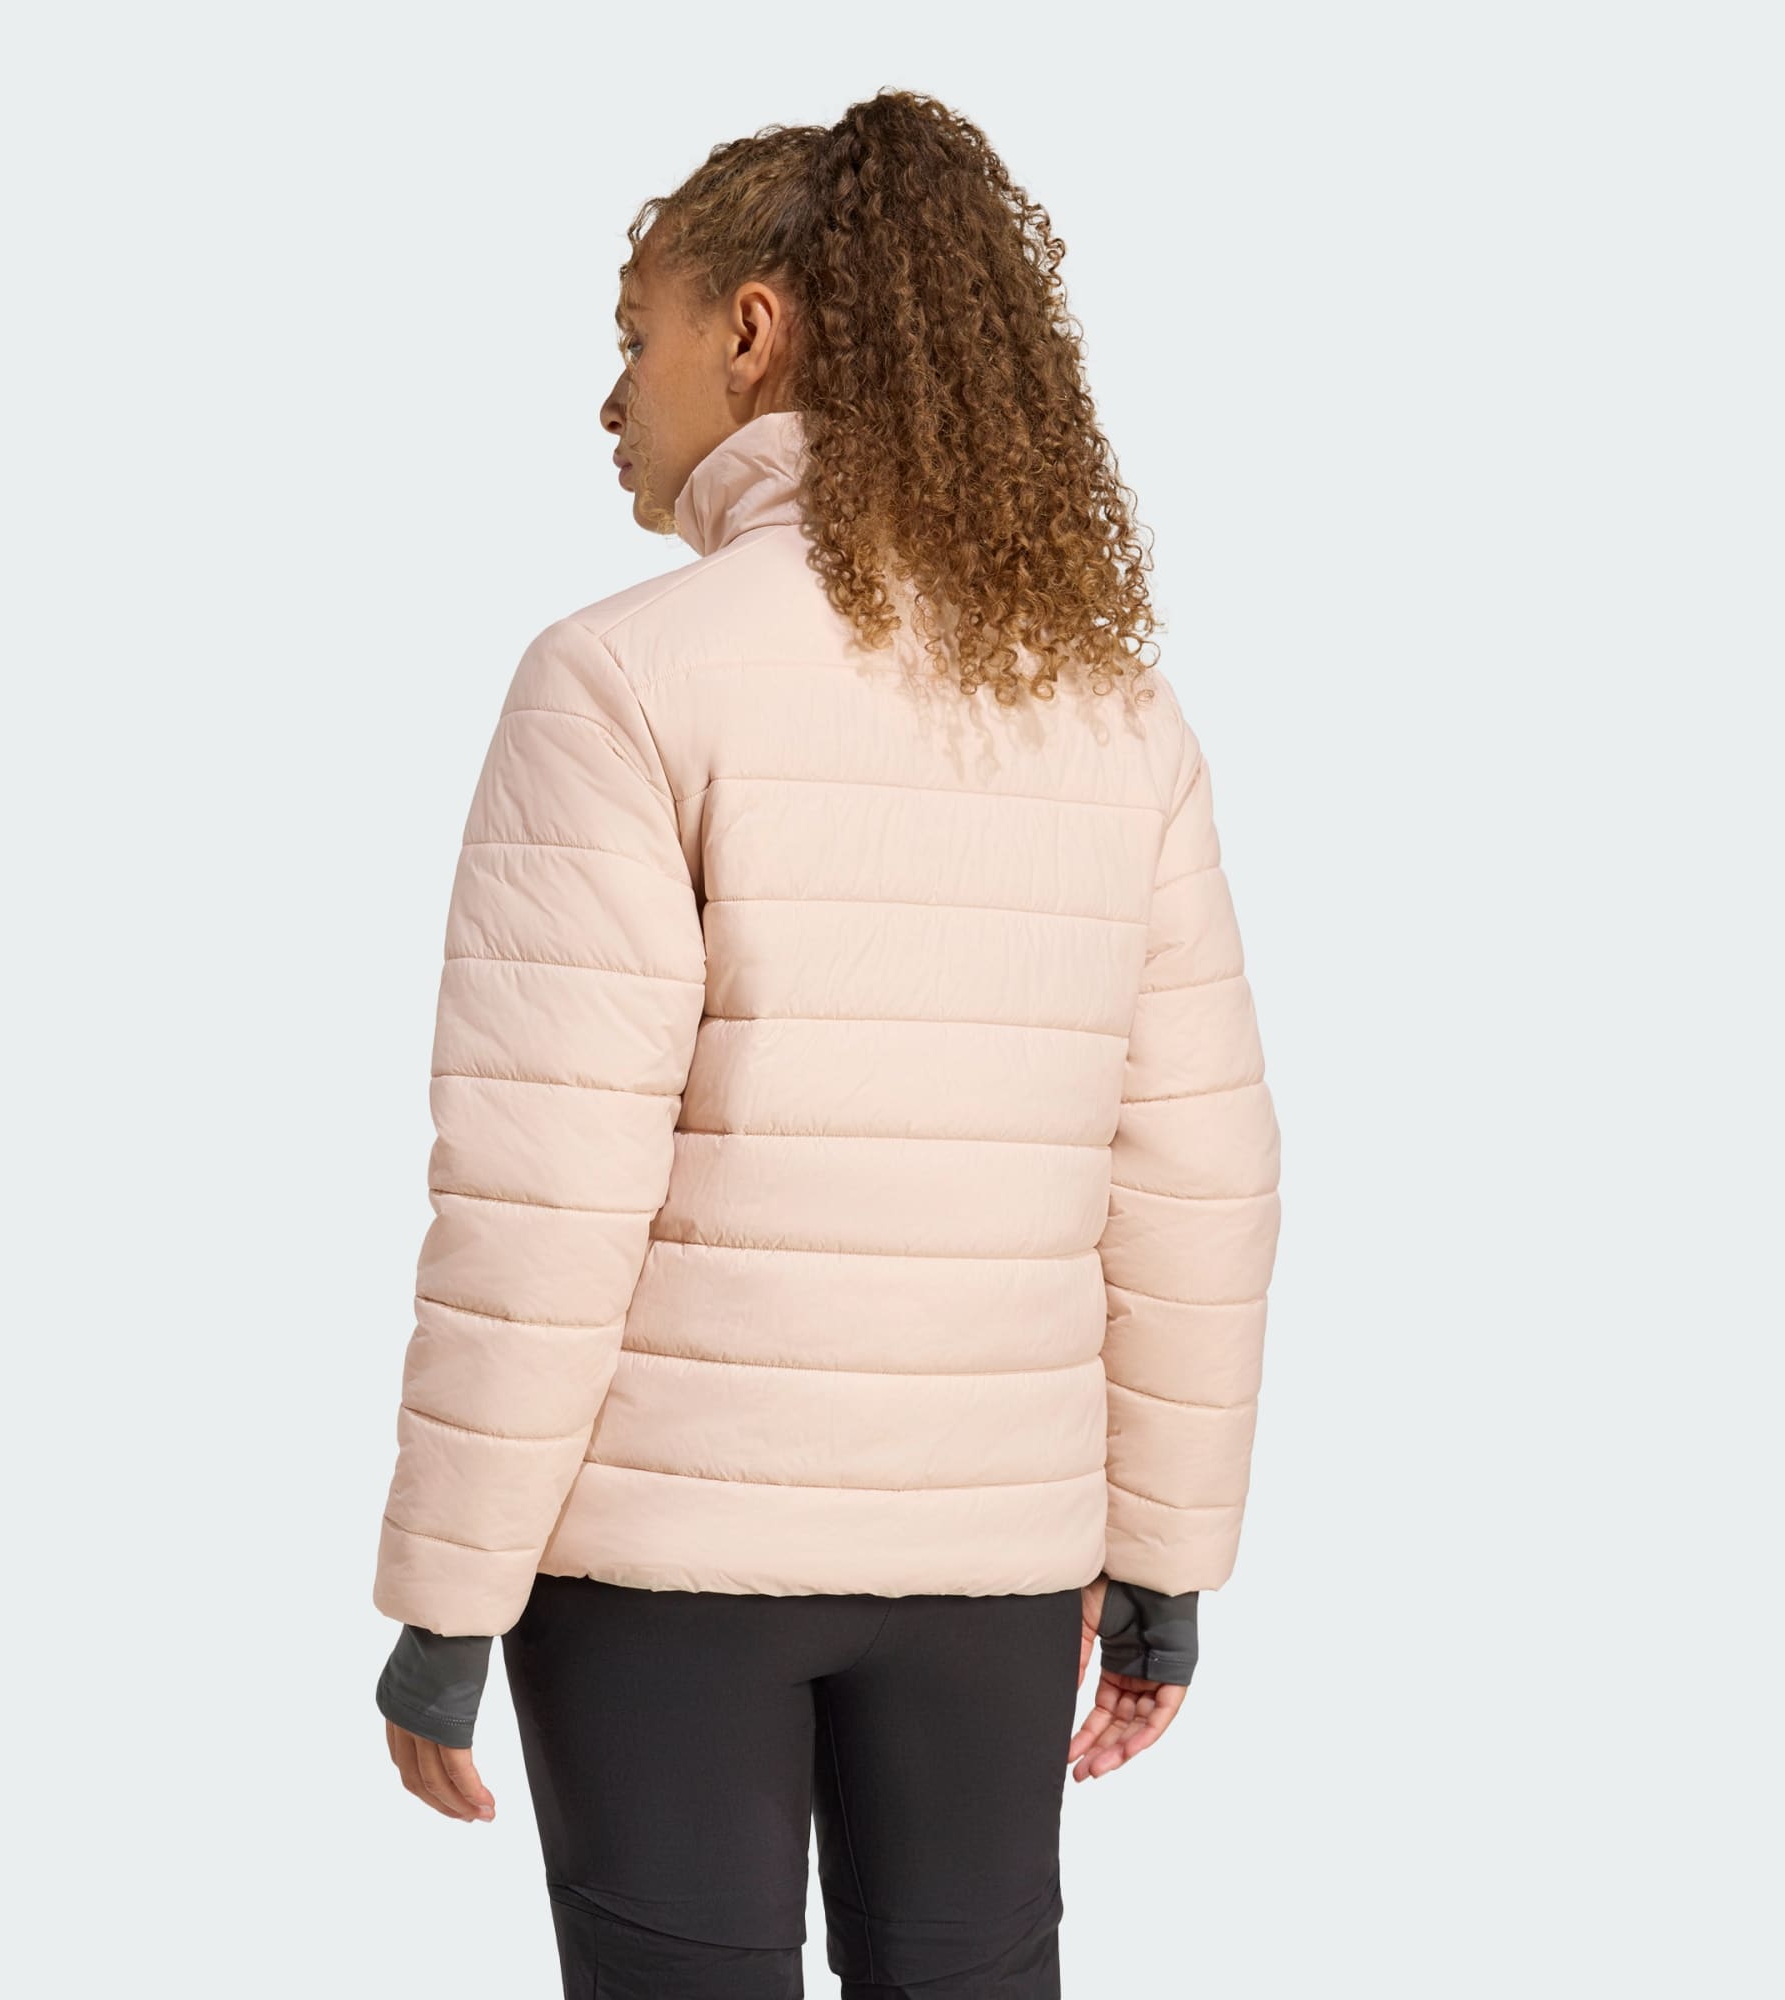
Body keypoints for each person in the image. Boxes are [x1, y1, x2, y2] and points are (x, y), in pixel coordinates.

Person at [370, 86, 1282, 2000]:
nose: (609, 396)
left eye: (635, 334)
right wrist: (1163, 1560)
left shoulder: (621, 678)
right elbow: (1195, 1175)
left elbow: (546, 1187)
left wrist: (448, 1597)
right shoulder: (1113, 713)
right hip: (997, 1563)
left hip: (663, 1569)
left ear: (754, 331)